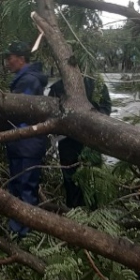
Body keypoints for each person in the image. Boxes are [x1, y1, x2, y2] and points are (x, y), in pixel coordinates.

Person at [46, 72, 113, 209]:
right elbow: (50, 115)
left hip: (91, 142)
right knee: (71, 177)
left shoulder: (95, 85)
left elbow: (106, 108)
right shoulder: (58, 87)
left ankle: (93, 211)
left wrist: (94, 122)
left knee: (92, 176)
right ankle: (75, 210)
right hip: (68, 142)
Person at [3, 40, 48, 236]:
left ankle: (25, 233)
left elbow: (21, 111)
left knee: (25, 188)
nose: (7, 62)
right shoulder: (23, 79)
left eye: (10, 58)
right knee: (17, 186)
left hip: (27, 144)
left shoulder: (29, 81)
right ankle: (17, 228)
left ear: (21, 59)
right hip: (20, 144)